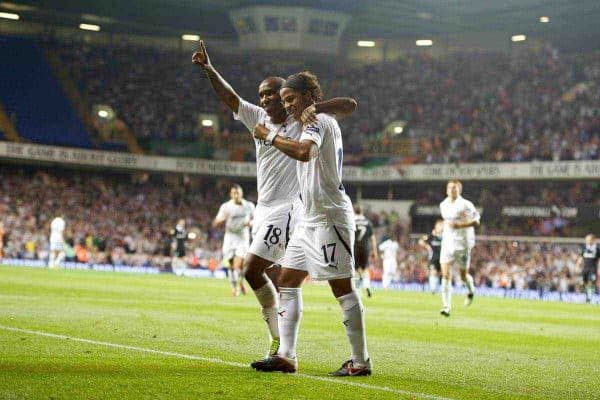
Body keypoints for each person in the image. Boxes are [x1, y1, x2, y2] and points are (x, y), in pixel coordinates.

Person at [193, 41, 356, 358]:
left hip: (288, 208)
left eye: (273, 94)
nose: (266, 99)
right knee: (266, 275)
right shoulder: (258, 117)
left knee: (254, 269)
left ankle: (282, 346)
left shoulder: (302, 121)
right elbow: (230, 98)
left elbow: (348, 105)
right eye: (262, 94)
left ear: (287, 98)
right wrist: (209, 69)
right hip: (265, 208)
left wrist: (314, 108)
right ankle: (282, 344)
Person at [251, 71, 371, 376]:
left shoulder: (318, 121)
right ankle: (287, 356)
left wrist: (270, 137)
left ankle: (360, 362)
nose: (286, 104)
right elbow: (348, 105)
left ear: (307, 95)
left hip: (330, 215)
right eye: (283, 100)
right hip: (308, 217)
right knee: (287, 280)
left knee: (342, 287)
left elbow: (305, 153)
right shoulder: (313, 120)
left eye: (290, 98)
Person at [439, 180, 480, 317]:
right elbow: (447, 223)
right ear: (446, 190)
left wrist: (460, 225)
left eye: (454, 188)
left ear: (459, 190)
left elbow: (476, 221)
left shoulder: (466, 205)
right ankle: (446, 307)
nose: (452, 190)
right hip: (447, 244)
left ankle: (470, 290)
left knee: (463, 276)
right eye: (450, 188)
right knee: (445, 274)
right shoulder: (443, 205)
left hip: (462, 244)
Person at [214, 184, 255, 297]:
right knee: (231, 266)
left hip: (242, 238)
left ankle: (236, 287)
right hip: (230, 238)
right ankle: (236, 285)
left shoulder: (249, 206)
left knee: (238, 264)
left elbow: (256, 221)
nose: (236, 195)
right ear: (231, 194)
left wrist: (250, 223)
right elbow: (215, 223)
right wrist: (223, 219)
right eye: (234, 193)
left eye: (238, 193)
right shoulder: (226, 207)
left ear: (241, 193)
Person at [353, 204, 378, 297]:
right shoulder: (368, 223)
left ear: (354, 211)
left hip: (355, 248)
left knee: (356, 270)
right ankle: (367, 286)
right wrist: (374, 251)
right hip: (365, 249)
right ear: (362, 211)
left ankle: (358, 292)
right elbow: (373, 238)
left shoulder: (352, 222)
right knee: (365, 269)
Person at [418, 219, 443, 293]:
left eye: (442, 225)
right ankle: (433, 289)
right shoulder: (431, 235)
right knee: (433, 272)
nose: (442, 227)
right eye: (440, 225)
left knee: (440, 273)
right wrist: (427, 246)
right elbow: (420, 241)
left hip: (443, 258)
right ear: (436, 226)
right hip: (433, 257)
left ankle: (437, 289)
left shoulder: (445, 235)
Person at [577, 233, 599, 303]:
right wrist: (577, 265)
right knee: (584, 283)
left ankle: (589, 298)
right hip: (585, 269)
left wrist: (599, 269)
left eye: (589, 240)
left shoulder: (597, 249)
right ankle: (587, 297)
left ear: (593, 240)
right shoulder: (584, 248)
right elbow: (580, 258)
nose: (587, 241)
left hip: (593, 269)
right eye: (587, 240)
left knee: (591, 282)